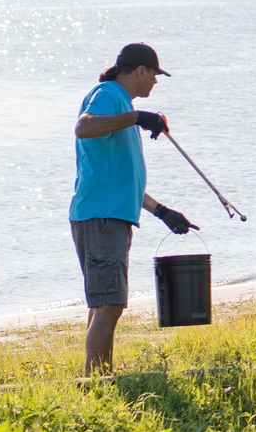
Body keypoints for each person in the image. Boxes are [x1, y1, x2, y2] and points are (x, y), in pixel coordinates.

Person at [70, 42, 196, 374]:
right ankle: (97, 382)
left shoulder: (121, 105)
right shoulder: (109, 94)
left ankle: (95, 379)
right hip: (101, 217)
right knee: (110, 303)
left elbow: (123, 180)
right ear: (141, 71)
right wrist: (138, 117)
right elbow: (83, 127)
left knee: (103, 303)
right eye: (155, 74)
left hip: (109, 216)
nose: (156, 81)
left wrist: (163, 211)